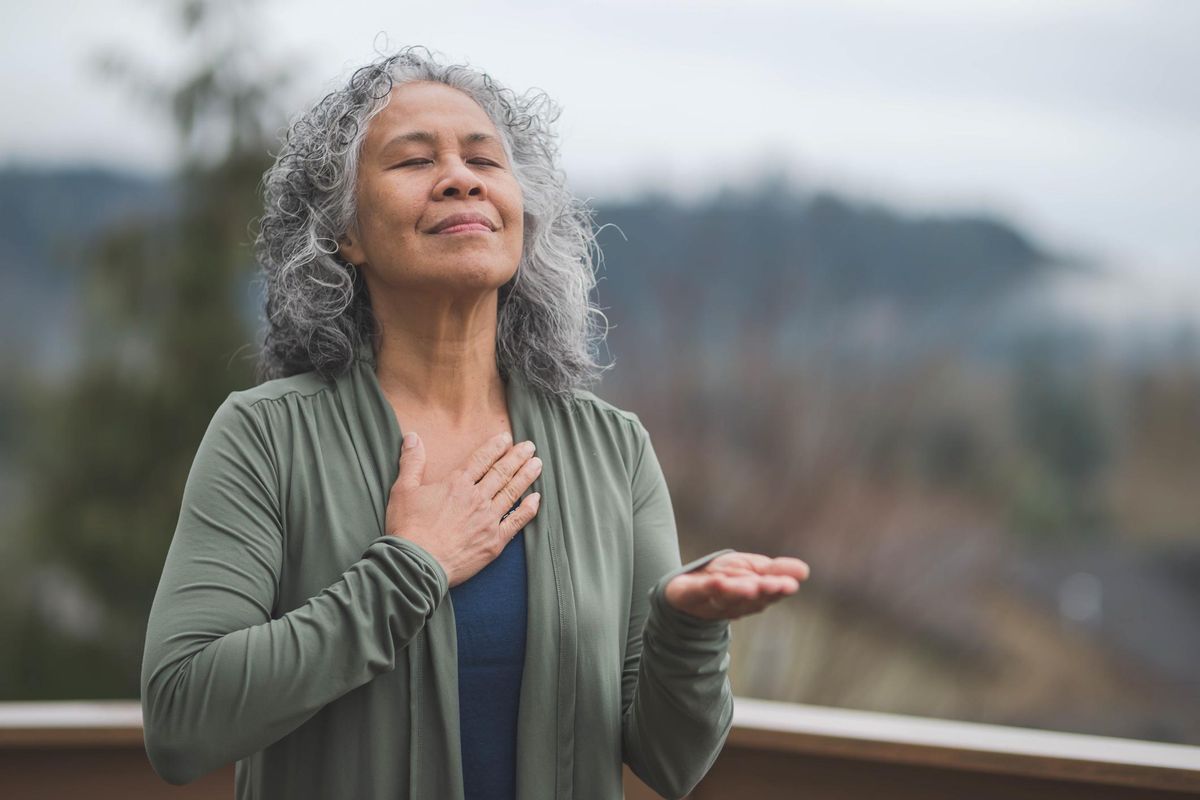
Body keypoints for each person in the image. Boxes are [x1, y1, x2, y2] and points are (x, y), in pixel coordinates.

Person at [140, 45, 811, 800]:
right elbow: (179, 720)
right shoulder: (267, 437)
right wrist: (409, 568)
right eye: (412, 161)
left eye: (484, 161)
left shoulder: (612, 451)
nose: (461, 177)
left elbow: (670, 760)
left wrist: (689, 628)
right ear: (344, 234)